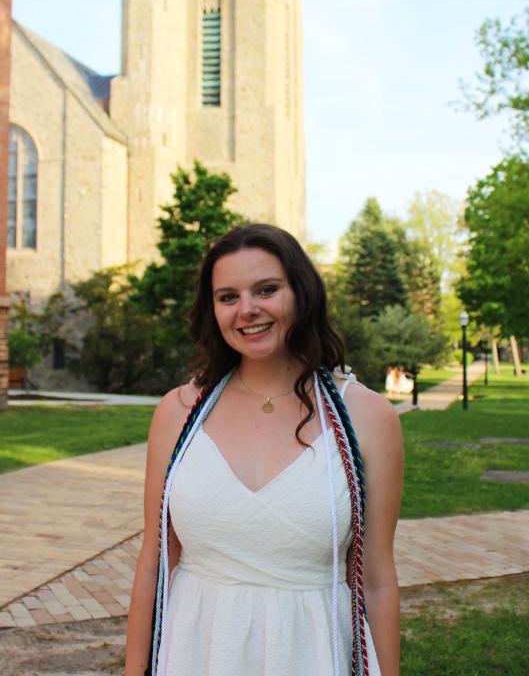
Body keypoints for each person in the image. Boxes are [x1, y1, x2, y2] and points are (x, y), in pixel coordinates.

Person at [124, 224, 404, 676]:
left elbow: (377, 581)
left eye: (267, 289)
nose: (247, 310)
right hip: (197, 651)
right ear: (211, 309)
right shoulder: (178, 412)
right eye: (227, 296)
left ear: (301, 293)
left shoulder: (367, 417)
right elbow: (156, 561)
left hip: (313, 652)